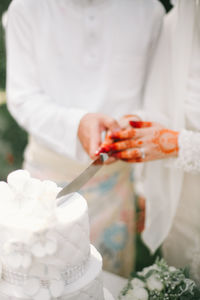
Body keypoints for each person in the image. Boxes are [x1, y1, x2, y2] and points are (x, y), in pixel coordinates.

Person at [6, 0, 164, 277]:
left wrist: (145, 181)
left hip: (116, 186)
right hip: (46, 182)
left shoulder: (147, 10)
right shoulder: (27, 8)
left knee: (105, 283)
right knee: (42, 281)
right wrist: (76, 123)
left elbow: (158, 98)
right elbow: (22, 98)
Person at [99, 0, 200, 282]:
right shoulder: (175, 25)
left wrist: (178, 144)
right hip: (185, 199)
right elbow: (159, 105)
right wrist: (134, 126)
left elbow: (172, 139)